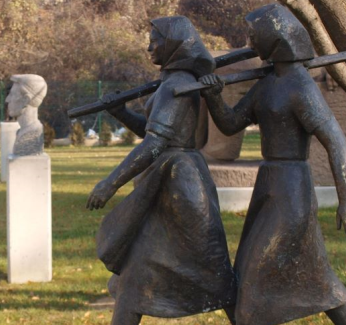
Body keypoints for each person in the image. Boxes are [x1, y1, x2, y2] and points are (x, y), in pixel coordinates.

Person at [200, 4, 346, 325]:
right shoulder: (266, 84)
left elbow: (335, 140)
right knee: (251, 280)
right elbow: (232, 123)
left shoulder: (301, 87)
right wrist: (214, 96)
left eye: (253, 37)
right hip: (269, 186)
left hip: (292, 192)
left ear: (275, 39)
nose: (250, 44)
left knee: (252, 289)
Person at [86, 16, 237, 325]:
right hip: (165, 183)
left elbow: (155, 144)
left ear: (173, 46)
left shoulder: (178, 86)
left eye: (155, 39)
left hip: (181, 185)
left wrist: (109, 183)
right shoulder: (173, 84)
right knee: (138, 271)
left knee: (213, 272)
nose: (149, 45)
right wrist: (122, 113)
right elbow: (154, 133)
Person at [6, 74, 47, 156]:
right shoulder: (22, 131)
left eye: (12, 94)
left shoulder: (31, 133)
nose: (7, 99)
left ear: (25, 100)